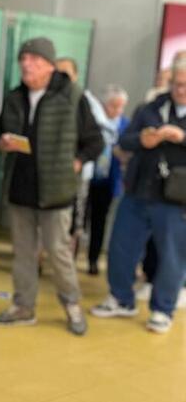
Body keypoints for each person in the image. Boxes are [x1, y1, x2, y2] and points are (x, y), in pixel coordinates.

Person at [0, 37, 104, 335]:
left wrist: (77, 162)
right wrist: (2, 143)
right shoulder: (15, 97)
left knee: (58, 252)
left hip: (56, 190)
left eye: (34, 60)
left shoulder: (72, 96)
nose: (27, 65)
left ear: (50, 65)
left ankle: (72, 305)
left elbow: (95, 141)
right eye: (23, 59)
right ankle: (23, 306)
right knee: (24, 253)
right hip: (20, 188)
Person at [91, 57, 186, 333]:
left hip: (175, 197)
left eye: (185, 85)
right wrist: (143, 140)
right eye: (177, 84)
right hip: (138, 190)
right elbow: (124, 139)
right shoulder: (150, 108)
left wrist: (180, 137)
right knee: (121, 246)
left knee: (172, 256)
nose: (180, 90)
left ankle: (162, 310)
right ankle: (121, 298)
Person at [55, 57, 116, 257]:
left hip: (78, 172)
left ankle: (68, 260)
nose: (61, 78)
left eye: (66, 74)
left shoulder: (86, 100)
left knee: (75, 218)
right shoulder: (46, 97)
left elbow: (102, 135)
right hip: (50, 170)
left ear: (76, 75)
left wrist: (80, 159)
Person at [85, 84, 129, 275]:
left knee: (99, 221)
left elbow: (129, 151)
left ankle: (92, 259)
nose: (116, 110)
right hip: (88, 177)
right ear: (104, 105)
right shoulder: (94, 120)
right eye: (113, 106)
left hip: (109, 180)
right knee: (79, 220)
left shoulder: (125, 125)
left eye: (120, 106)